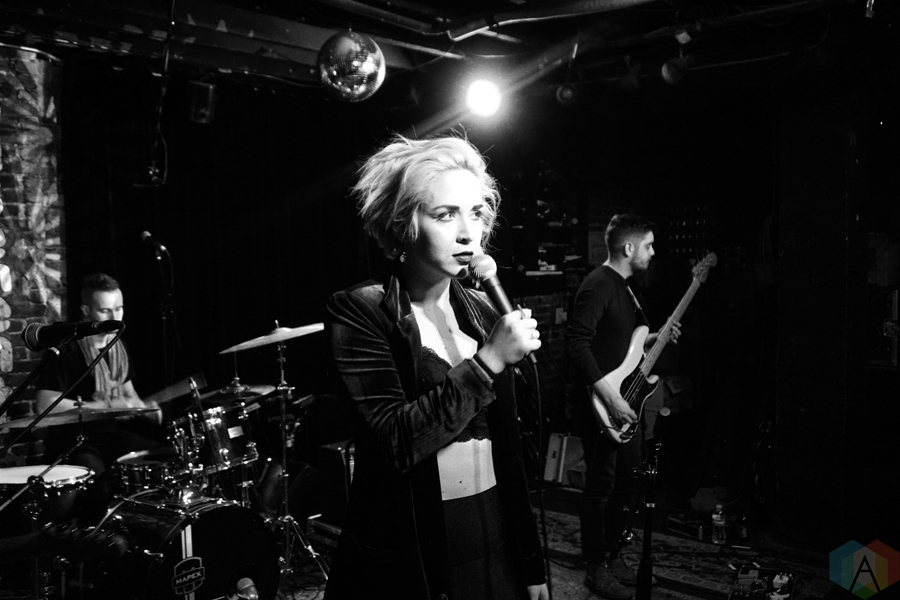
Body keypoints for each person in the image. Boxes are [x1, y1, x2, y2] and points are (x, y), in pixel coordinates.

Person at [325, 135, 549, 600]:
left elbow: (510, 456)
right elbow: (394, 443)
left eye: (477, 213)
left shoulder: (485, 312)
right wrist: (488, 362)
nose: (469, 233)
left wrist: (530, 564)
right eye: (446, 215)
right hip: (413, 557)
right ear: (402, 226)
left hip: (496, 541)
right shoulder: (362, 311)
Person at [565, 214, 680, 600]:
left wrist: (656, 337)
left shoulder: (625, 289)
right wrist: (610, 398)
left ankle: (613, 557)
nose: (653, 252)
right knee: (600, 487)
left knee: (627, 482)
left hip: (624, 401)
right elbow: (577, 344)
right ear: (629, 248)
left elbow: (622, 344)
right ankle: (595, 569)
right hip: (601, 404)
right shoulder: (598, 284)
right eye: (648, 245)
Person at [33, 273, 162, 518]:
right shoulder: (66, 348)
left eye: (119, 308)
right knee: (99, 485)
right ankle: (94, 535)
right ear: (86, 311)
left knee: (161, 460)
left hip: (111, 436)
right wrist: (105, 406)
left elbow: (129, 395)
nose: (115, 317)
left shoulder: (117, 346)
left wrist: (145, 408)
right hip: (74, 442)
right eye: (105, 310)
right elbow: (45, 404)